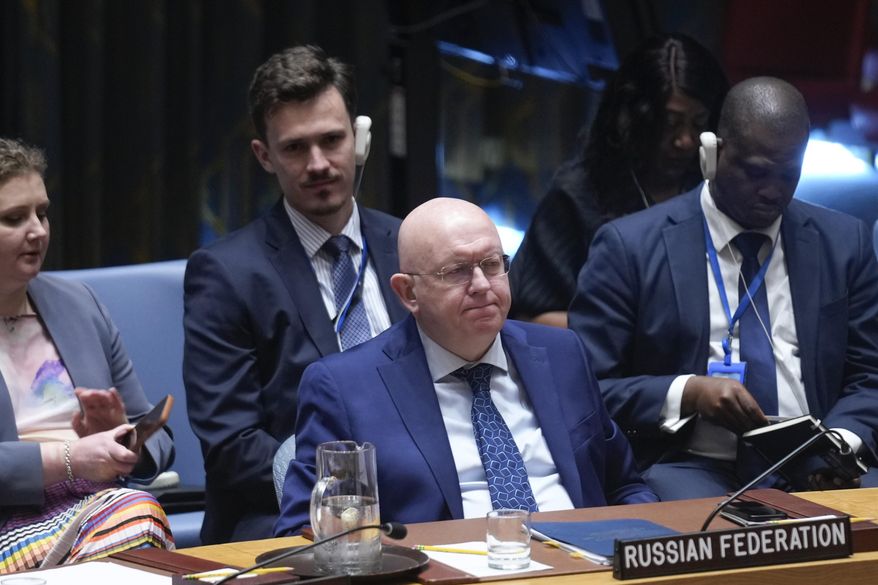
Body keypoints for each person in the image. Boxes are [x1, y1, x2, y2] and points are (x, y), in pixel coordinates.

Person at [569, 77, 878, 500]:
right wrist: (687, 392)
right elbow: (585, 388)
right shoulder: (630, 247)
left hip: (817, 464)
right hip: (691, 464)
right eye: (755, 172)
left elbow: (871, 375)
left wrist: (840, 445)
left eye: (789, 174)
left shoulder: (845, 244)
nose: (772, 191)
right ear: (711, 154)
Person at [275, 197, 656, 535]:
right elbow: (305, 532)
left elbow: (624, 484)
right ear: (408, 292)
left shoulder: (561, 353)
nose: (481, 285)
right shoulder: (343, 387)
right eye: (456, 271)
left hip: (585, 568)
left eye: (492, 264)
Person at [183, 45, 407, 543]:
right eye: (294, 148)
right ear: (264, 155)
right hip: (292, 518)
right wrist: (356, 487)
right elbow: (232, 446)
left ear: (360, 139)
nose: (319, 163)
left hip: (426, 502)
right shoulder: (225, 273)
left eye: (332, 140)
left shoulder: (409, 247)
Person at [0, 138, 175, 572]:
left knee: (132, 517)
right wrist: (72, 458)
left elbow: (161, 443)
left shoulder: (80, 304)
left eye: (42, 213)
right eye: (13, 218)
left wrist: (123, 437)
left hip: (99, 506)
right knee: (137, 520)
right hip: (11, 521)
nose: (38, 230)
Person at [509, 34, 728, 328]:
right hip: (604, 368)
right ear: (634, 119)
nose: (685, 140)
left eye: (698, 122)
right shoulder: (578, 196)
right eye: (670, 123)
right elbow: (531, 319)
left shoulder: (713, 188)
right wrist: (634, 333)